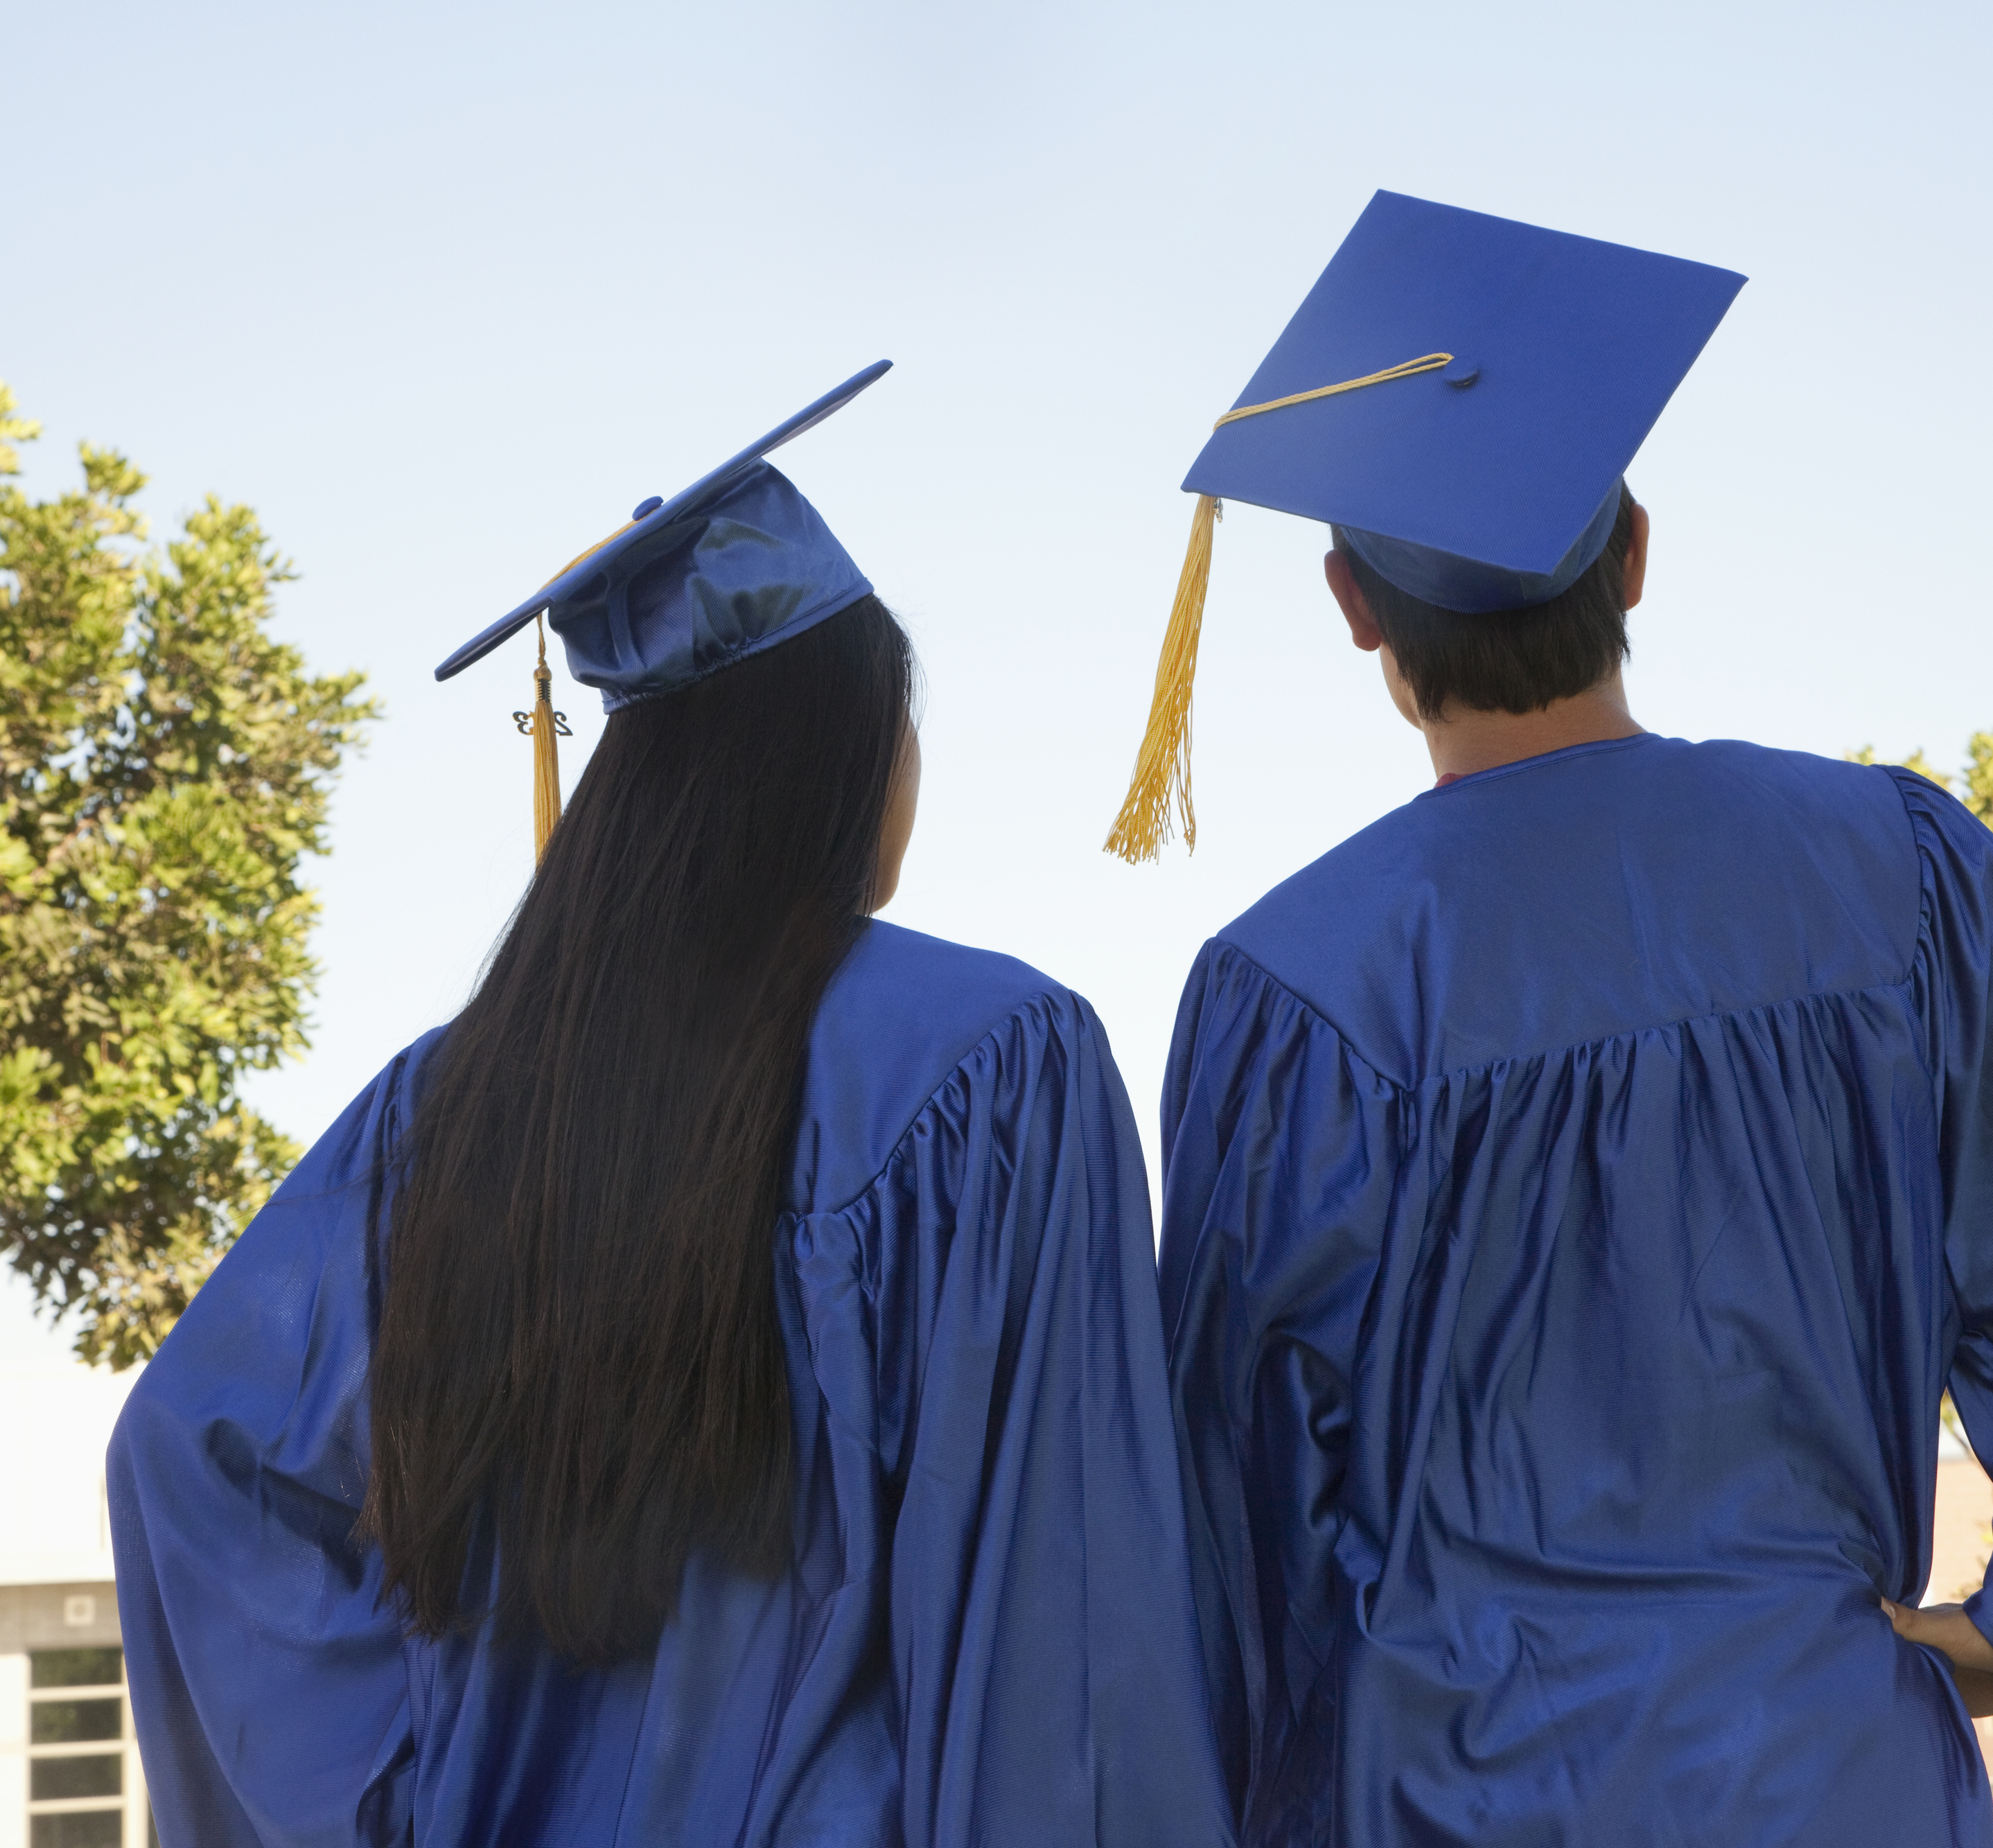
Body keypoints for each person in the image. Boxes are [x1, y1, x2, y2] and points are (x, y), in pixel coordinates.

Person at [1118, 194, 1993, 1847]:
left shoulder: (1297, 986)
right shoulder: (1892, 874)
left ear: (1354, 607)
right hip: (1828, 1767)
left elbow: (1231, 1512)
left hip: (1444, 1793)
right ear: (1635, 554)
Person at [109, 364, 1229, 1847]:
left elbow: (186, 1454)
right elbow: (1064, 1640)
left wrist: (392, 1797)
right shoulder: (988, 1070)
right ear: (839, 759)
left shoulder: (443, 1108)